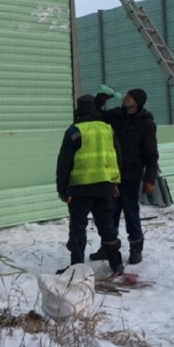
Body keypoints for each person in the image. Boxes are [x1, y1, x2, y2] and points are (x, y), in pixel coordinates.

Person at [55, 94, 124, 275]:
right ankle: (116, 264)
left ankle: (77, 268)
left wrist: (62, 189)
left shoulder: (74, 131)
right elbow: (117, 157)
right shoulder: (107, 129)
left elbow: (64, 163)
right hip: (105, 187)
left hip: (80, 188)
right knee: (107, 226)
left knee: (78, 229)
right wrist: (115, 182)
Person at [91, 88, 159, 265]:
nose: (125, 98)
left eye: (130, 97)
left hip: (131, 175)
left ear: (137, 102)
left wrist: (150, 178)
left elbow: (151, 153)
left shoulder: (146, 123)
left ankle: (136, 248)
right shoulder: (116, 115)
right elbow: (94, 116)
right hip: (111, 174)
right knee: (109, 213)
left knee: (131, 212)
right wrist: (100, 99)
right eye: (127, 95)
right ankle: (108, 247)